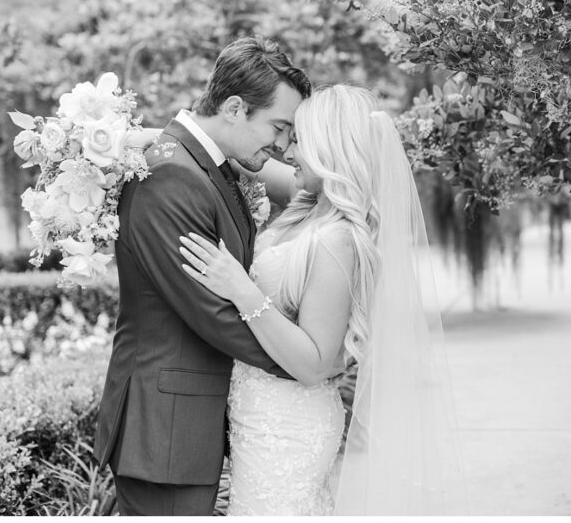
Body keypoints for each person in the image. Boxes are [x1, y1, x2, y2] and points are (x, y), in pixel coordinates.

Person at [177, 84, 465, 515]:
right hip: (262, 417)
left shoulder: (339, 240)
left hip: (289, 426)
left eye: (298, 141)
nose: (287, 151)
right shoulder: (312, 205)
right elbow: (241, 159)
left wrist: (242, 290)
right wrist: (154, 139)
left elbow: (314, 363)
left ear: (330, 150)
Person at [92, 36, 311, 516]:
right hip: (163, 430)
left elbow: (303, 185)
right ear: (234, 107)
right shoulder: (171, 174)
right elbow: (211, 312)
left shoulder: (204, 165)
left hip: (181, 427)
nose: (283, 144)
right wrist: (305, 361)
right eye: (279, 126)